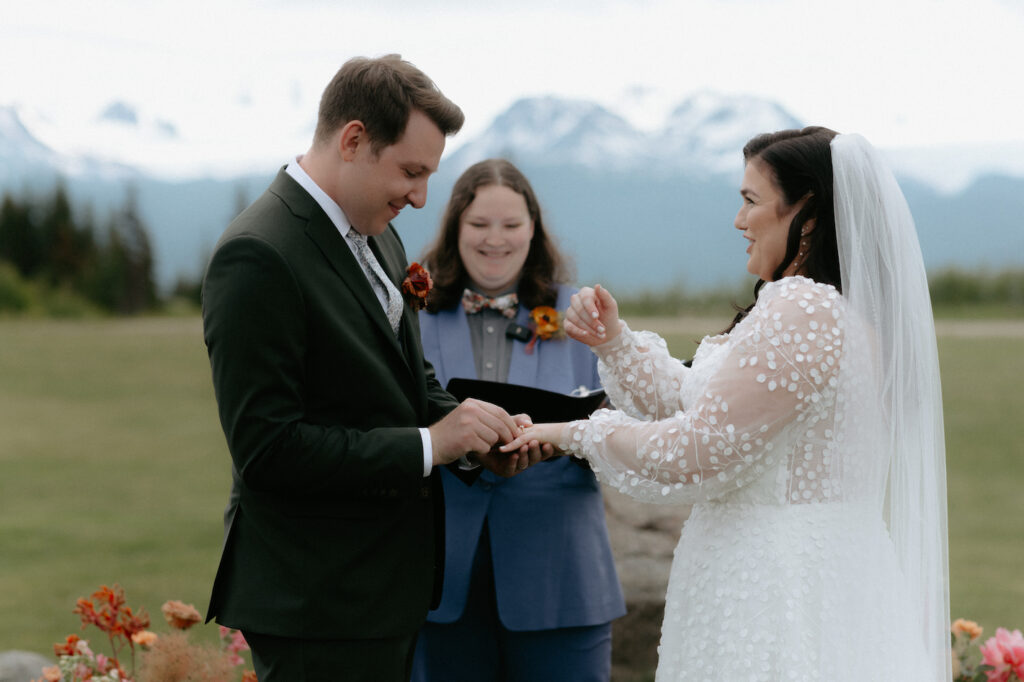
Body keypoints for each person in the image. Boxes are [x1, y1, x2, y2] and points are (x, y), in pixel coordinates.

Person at [503, 128, 952, 681]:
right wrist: (615, 344)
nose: (738, 221)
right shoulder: (834, 309)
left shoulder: (804, 309)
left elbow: (700, 447)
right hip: (819, 572)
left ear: (807, 213)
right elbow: (707, 405)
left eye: (750, 201)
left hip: (774, 587)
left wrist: (577, 432)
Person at [201, 55, 545, 682]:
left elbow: (405, 377)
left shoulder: (377, 234)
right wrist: (429, 445)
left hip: (384, 590)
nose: (420, 197)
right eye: (411, 172)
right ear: (354, 140)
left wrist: (472, 434)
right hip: (316, 601)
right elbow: (268, 449)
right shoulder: (259, 254)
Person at [411, 159, 626, 681]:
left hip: (561, 578)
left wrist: (574, 437)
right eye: (480, 225)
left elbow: (623, 422)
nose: (495, 240)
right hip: (438, 580)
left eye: (511, 225)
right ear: (455, 227)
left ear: (534, 229)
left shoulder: (581, 313)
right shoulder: (412, 314)